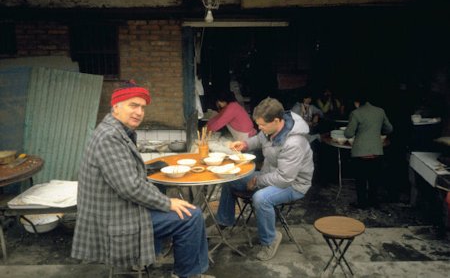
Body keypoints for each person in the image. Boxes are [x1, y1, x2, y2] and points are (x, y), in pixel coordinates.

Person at [71, 81, 212, 278]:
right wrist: (167, 202)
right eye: (133, 105)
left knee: (184, 207)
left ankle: (192, 271)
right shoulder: (109, 137)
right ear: (116, 107)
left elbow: (128, 179)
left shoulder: (117, 131)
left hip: (120, 207)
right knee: (192, 216)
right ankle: (185, 274)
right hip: (115, 219)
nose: (139, 112)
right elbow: (130, 187)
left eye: (142, 107)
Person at [214, 97, 314, 261]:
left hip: (294, 184)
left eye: (262, 125)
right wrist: (244, 144)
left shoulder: (294, 142)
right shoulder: (270, 129)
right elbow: (258, 139)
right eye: (258, 124)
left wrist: (258, 181)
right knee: (230, 179)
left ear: (276, 120)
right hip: (270, 175)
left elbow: (285, 178)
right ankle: (224, 222)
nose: (259, 128)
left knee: (261, 198)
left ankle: (270, 240)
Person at [344, 92, 393, 209]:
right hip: (376, 150)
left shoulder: (356, 113)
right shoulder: (380, 111)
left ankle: (362, 203)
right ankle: (373, 201)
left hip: (360, 152)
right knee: (374, 178)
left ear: (357, 102)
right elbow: (389, 129)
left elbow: (348, 134)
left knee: (360, 179)